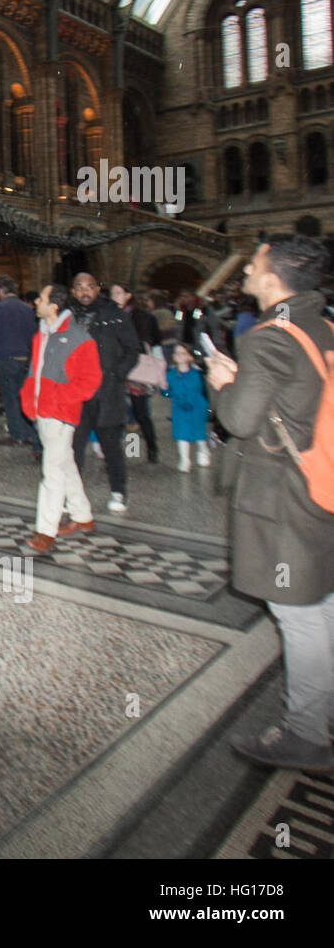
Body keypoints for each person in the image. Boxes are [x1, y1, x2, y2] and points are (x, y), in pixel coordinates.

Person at [206, 235, 334, 772]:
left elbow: (239, 420)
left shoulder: (269, 338)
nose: (247, 273)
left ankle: (306, 732)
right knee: (321, 603)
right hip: (316, 481)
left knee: (297, 613)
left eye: (254, 265)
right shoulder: (321, 324)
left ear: (275, 275)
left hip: (282, 495)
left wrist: (220, 382)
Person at [20, 284, 103, 553]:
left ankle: (46, 532)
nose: (36, 301)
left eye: (40, 298)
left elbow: (90, 382)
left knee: (52, 472)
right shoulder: (40, 335)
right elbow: (34, 372)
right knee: (65, 464)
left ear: (53, 306)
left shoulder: (79, 338)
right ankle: (82, 516)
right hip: (42, 411)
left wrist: (56, 398)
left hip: (60, 413)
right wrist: (29, 398)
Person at [68, 273, 140, 513]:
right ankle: (73, 494)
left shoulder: (114, 315)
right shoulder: (67, 316)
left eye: (89, 287)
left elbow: (132, 349)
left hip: (106, 391)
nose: (84, 292)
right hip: (77, 392)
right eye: (79, 288)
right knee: (74, 446)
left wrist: (116, 374)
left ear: (98, 289)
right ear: (73, 291)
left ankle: (119, 491)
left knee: (111, 445)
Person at [0, 275, 40, 454]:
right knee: (25, 397)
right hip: (25, 360)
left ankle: (17, 434)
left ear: (1, 290)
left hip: (7, 360)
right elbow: (33, 334)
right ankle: (31, 433)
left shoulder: (0, 308)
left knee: (9, 398)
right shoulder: (26, 308)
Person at [111, 283, 160, 465]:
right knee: (120, 412)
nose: (114, 296)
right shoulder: (109, 316)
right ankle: (129, 451)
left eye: (118, 293)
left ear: (127, 295)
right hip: (115, 369)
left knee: (139, 412)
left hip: (137, 369)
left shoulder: (140, 317)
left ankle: (150, 448)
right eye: (112, 293)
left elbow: (152, 340)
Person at [160, 343, 210, 473]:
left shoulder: (197, 373)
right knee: (181, 434)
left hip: (197, 407)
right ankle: (185, 459)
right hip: (179, 408)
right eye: (177, 353)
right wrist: (164, 389)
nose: (180, 356)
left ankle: (203, 450)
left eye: (183, 353)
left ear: (190, 357)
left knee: (199, 434)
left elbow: (203, 390)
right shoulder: (170, 374)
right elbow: (167, 391)